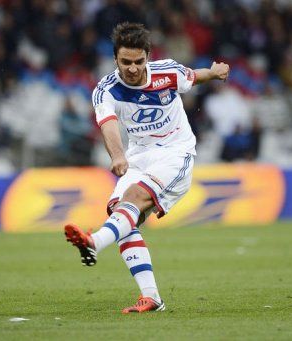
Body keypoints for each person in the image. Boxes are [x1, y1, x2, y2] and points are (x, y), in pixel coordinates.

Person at [64, 22, 230, 313]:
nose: (132, 68)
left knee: (133, 200)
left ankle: (94, 241)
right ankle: (151, 297)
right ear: (115, 59)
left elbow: (194, 77)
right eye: (125, 62)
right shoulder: (106, 90)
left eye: (138, 62)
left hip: (176, 153)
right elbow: (108, 124)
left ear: (148, 57)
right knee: (123, 217)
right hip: (138, 156)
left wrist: (214, 73)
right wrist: (117, 155)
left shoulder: (167, 72)